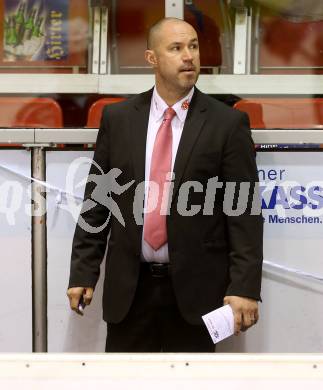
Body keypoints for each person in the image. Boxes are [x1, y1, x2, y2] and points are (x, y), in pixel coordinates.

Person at [67, 17, 263, 352]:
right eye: (176, 48)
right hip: (130, 290)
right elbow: (97, 203)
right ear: (152, 58)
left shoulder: (227, 124)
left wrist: (244, 286)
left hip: (196, 292)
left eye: (194, 46)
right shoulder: (119, 119)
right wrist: (83, 273)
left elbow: (243, 212)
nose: (189, 56)